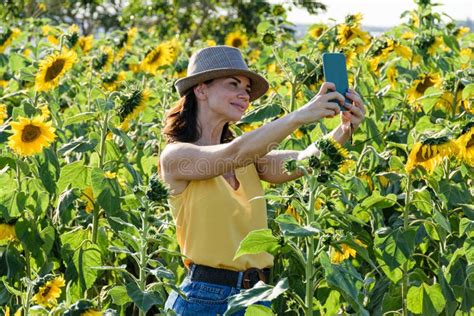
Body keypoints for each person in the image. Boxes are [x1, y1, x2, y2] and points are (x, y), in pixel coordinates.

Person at [160, 45, 365, 315]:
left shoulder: (251, 160)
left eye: (246, 89)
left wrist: (345, 130)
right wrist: (300, 115)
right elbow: (233, 153)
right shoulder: (176, 157)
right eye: (233, 84)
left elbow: (305, 160)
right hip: (204, 299)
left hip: (258, 297)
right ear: (201, 89)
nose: (243, 94)